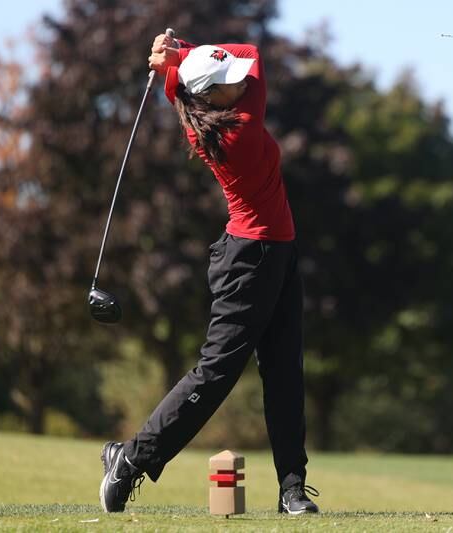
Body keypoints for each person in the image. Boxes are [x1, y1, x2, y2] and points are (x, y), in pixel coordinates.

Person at [99, 33, 319, 515]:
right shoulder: (239, 125)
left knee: (286, 373)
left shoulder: (198, 99)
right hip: (249, 262)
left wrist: (178, 57)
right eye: (226, 84)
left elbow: (222, 67)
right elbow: (254, 56)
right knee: (217, 373)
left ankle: (291, 489)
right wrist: (178, 57)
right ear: (210, 97)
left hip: (278, 253)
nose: (239, 84)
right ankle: (131, 459)